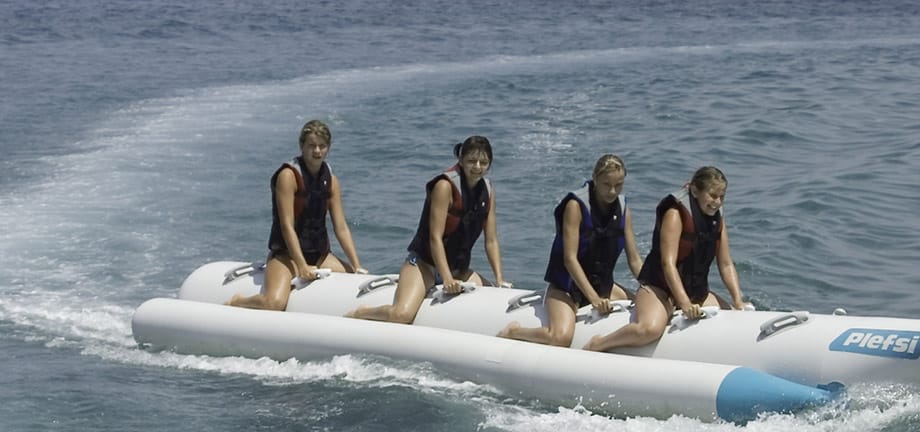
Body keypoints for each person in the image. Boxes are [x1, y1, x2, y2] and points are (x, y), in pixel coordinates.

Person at [585, 165, 745, 352]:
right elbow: (667, 264)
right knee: (649, 329)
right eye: (712, 195)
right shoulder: (675, 213)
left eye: (722, 197)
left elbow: (725, 264)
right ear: (694, 190)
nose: (717, 202)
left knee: (735, 320)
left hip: (695, 291)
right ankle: (598, 344)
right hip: (660, 289)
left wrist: (738, 301)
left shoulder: (718, 218)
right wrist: (684, 303)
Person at [349, 136, 506, 324]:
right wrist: (446, 279)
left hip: (459, 269)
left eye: (484, 162)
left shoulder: (488, 191)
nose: (478, 167)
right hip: (424, 265)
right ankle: (361, 313)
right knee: (401, 315)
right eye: (472, 161)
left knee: (494, 297)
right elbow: (435, 237)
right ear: (461, 159)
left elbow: (491, 240)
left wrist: (499, 278)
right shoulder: (445, 186)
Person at [498, 154, 642, 347]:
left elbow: (634, 260)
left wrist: (652, 289)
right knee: (561, 337)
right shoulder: (576, 206)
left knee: (642, 308)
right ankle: (514, 331)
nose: (612, 191)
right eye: (606, 184)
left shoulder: (623, 209)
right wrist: (594, 299)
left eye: (619, 185)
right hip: (566, 287)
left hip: (603, 285)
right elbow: (570, 259)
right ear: (595, 178)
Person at [227, 120, 365, 310]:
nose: (317, 151)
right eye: (311, 145)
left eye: (322, 146)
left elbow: (341, 227)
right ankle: (237, 301)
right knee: (274, 303)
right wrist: (301, 265)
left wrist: (357, 265)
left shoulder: (331, 181)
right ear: (302, 146)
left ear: (328, 148)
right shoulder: (288, 176)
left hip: (319, 255)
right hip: (286, 255)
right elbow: (286, 225)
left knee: (352, 280)